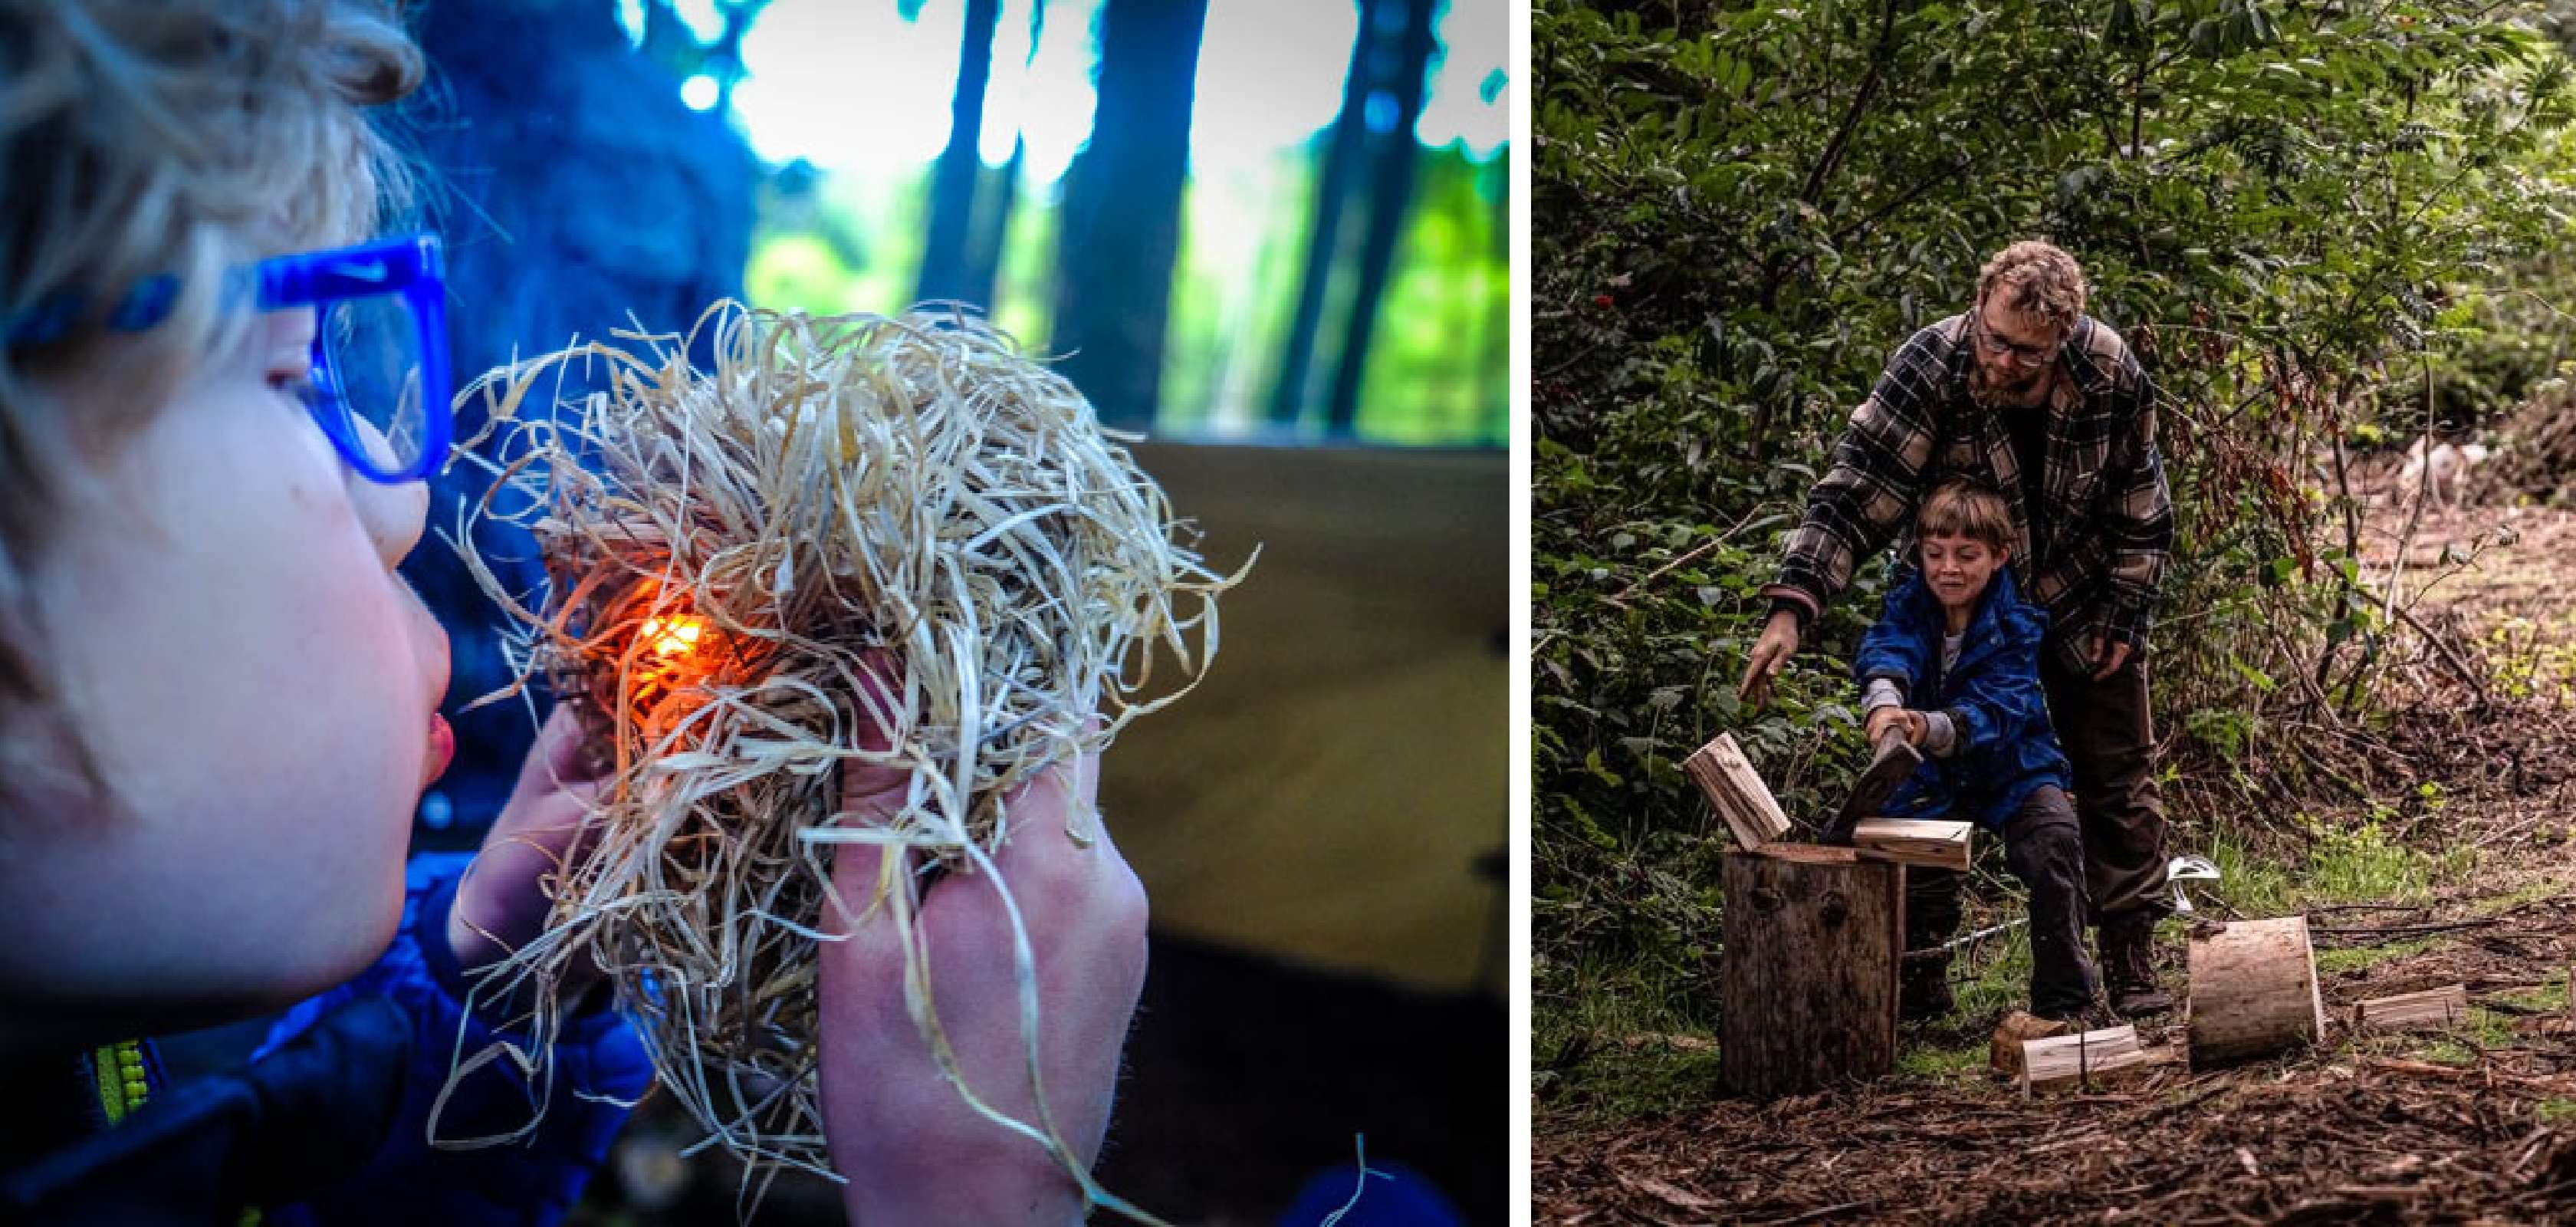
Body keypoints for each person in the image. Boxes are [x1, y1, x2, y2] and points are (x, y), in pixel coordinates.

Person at [0, 3, 1145, 1223]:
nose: (408, 504)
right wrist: (974, 1205)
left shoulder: (85, 1102)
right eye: (290, 374)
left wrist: (494, 992)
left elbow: (244, 1173)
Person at [1737, 240, 2179, 1018]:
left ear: (2066, 337)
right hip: (1964, 606)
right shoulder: (1930, 365)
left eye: (2030, 354)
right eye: (1997, 340)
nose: (2007, 363)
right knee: (1928, 784)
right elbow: (1856, 493)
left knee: (2116, 775)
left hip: (2081, 597)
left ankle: (2130, 957)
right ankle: (1922, 971)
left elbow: (2142, 501)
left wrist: (2126, 612)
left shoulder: (2108, 370)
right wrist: (1792, 608)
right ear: (1979, 307)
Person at [1854, 481, 2104, 1025]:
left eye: (1967, 556)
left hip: (2012, 766)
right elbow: (1887, 650)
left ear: (1999, 557)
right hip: (1932, 775)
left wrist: (1923, 724)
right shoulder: (1909, 605)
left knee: (2055, 842)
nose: (1949, 569)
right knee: (1904, 848)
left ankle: (2065, 1002)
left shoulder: (2017, 624)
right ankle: (1918, 994)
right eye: (1935, 554)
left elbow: (1998, 710)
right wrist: (1883, 704)